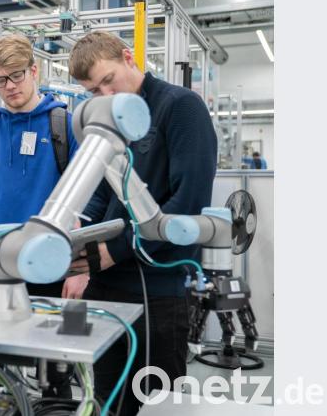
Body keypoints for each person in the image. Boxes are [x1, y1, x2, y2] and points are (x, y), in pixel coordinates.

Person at [66, 31, 217, 415]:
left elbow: (186, 205)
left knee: (158, 404)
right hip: (105, 289)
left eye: (108, 81)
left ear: (128, 57)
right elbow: (102, 192)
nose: (105, 97)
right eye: (92, 91)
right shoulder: (109, 120)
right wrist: (74, 239)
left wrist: (112, 251)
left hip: (159, 291)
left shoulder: (180, 108)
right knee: (107, 400)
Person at [0, 33, 79, 298]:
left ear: (33, 71)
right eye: (0, 80)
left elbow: (83, 203)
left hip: (51, 266)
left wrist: (81, 270)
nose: (10, 86)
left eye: (17, 75)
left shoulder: (65, 126)